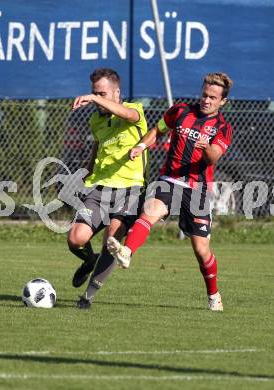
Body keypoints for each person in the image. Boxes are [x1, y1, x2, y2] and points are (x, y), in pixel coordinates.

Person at [107, 72, 234, 311]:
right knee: (150, 212)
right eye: (205, 95)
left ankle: (214, 295)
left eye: (213, 98)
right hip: (170, 180)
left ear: (223, 101)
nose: (206, 100)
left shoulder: (223, 128)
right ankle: (127, 252)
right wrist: (142, 145)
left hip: (197, 190)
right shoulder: (181, 111)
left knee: (201, 250)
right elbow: (158, 129)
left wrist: (206, 149)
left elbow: (214, 157)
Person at [67, 67, 148, 309]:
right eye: (94, 93)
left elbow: (128, 115)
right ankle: (88, 260)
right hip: (99, 188)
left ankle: (88, 297)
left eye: (102, 94)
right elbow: (98, 147)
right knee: (75, 239)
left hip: (129, 190)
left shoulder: (134, 111)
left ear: (116, 92)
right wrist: (84, 173)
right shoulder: (96, 120)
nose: (97, 98)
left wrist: (93, 98)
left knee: (112, 242)